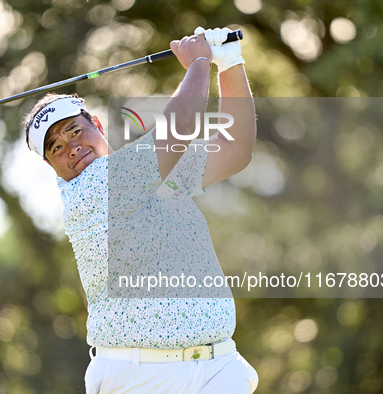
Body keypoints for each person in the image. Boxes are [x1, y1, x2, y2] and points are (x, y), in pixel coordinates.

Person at [23, 27, 258, 393]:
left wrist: (229, 63)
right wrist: (199, 60)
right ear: (50, 164)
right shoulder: (91, 191)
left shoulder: (153, 171)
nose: (69, 147)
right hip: (139, 376)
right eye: (54, 147)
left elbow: (236, 149)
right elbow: (179, 126)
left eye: (73, 131)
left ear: (97, 125)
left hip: (217, 368)